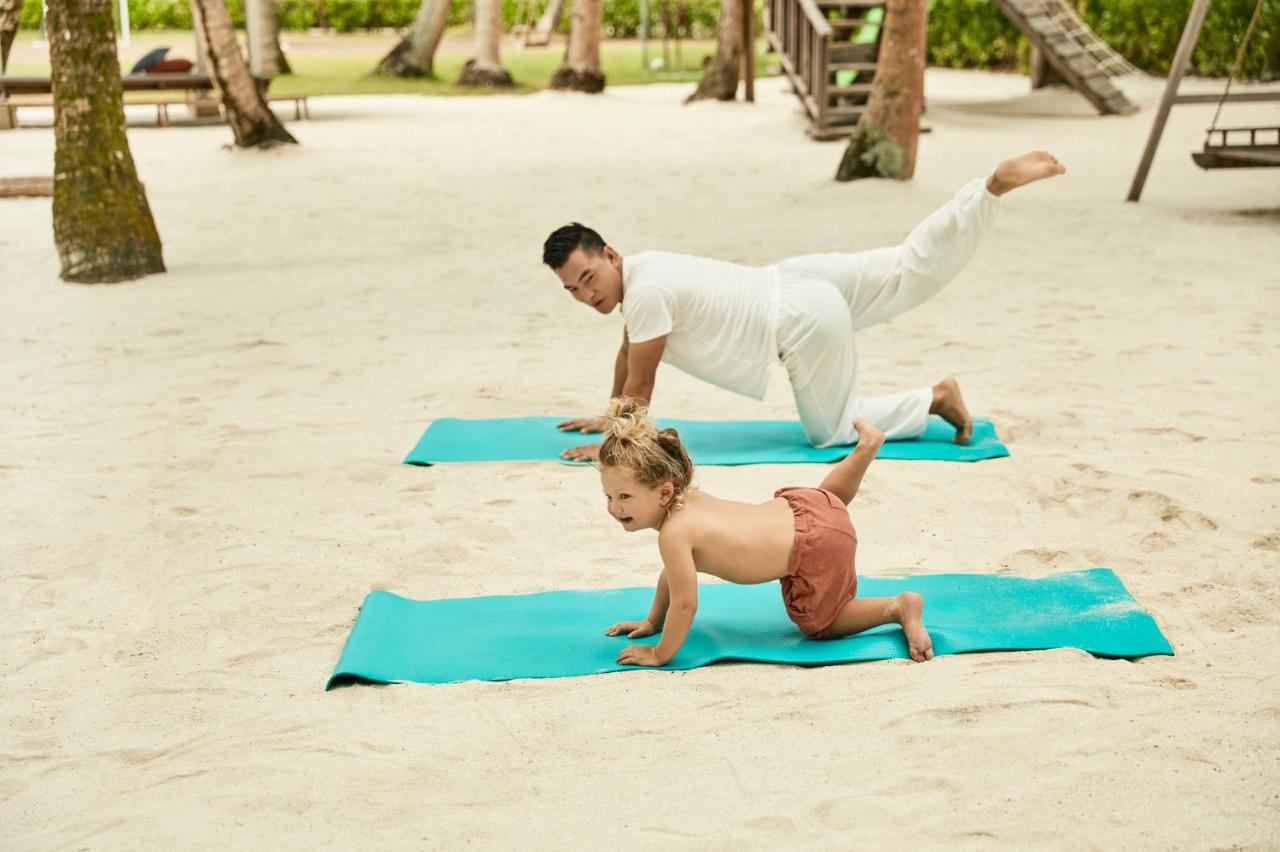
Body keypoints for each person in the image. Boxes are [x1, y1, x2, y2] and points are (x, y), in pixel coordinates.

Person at [544, 151, 1067, 461]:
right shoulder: (645, 268)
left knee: (833, 433)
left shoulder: (647, 295)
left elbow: (641, 382)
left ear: (609, 255)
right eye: (573, 290)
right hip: (797, 278)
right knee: (910, 264)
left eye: (589, 278)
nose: (587, 295)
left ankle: (933, 397)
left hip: (798, 322)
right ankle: (985, 192)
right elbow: (628, 351)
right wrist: (609, 416)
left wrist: (616, 442)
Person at [597, 398, 934, 667]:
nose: (615, 508)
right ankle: (864, 451)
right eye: (609, 496)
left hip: (816, 547)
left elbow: (685, 605)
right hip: (809, 505)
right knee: (831, 500)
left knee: (821, 624)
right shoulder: (690, 501)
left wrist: (659, 653)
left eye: (625, 497)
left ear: (664, 492)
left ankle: (897, 607)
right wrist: (653, 621)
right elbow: (673, 575)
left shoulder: (672, 534)